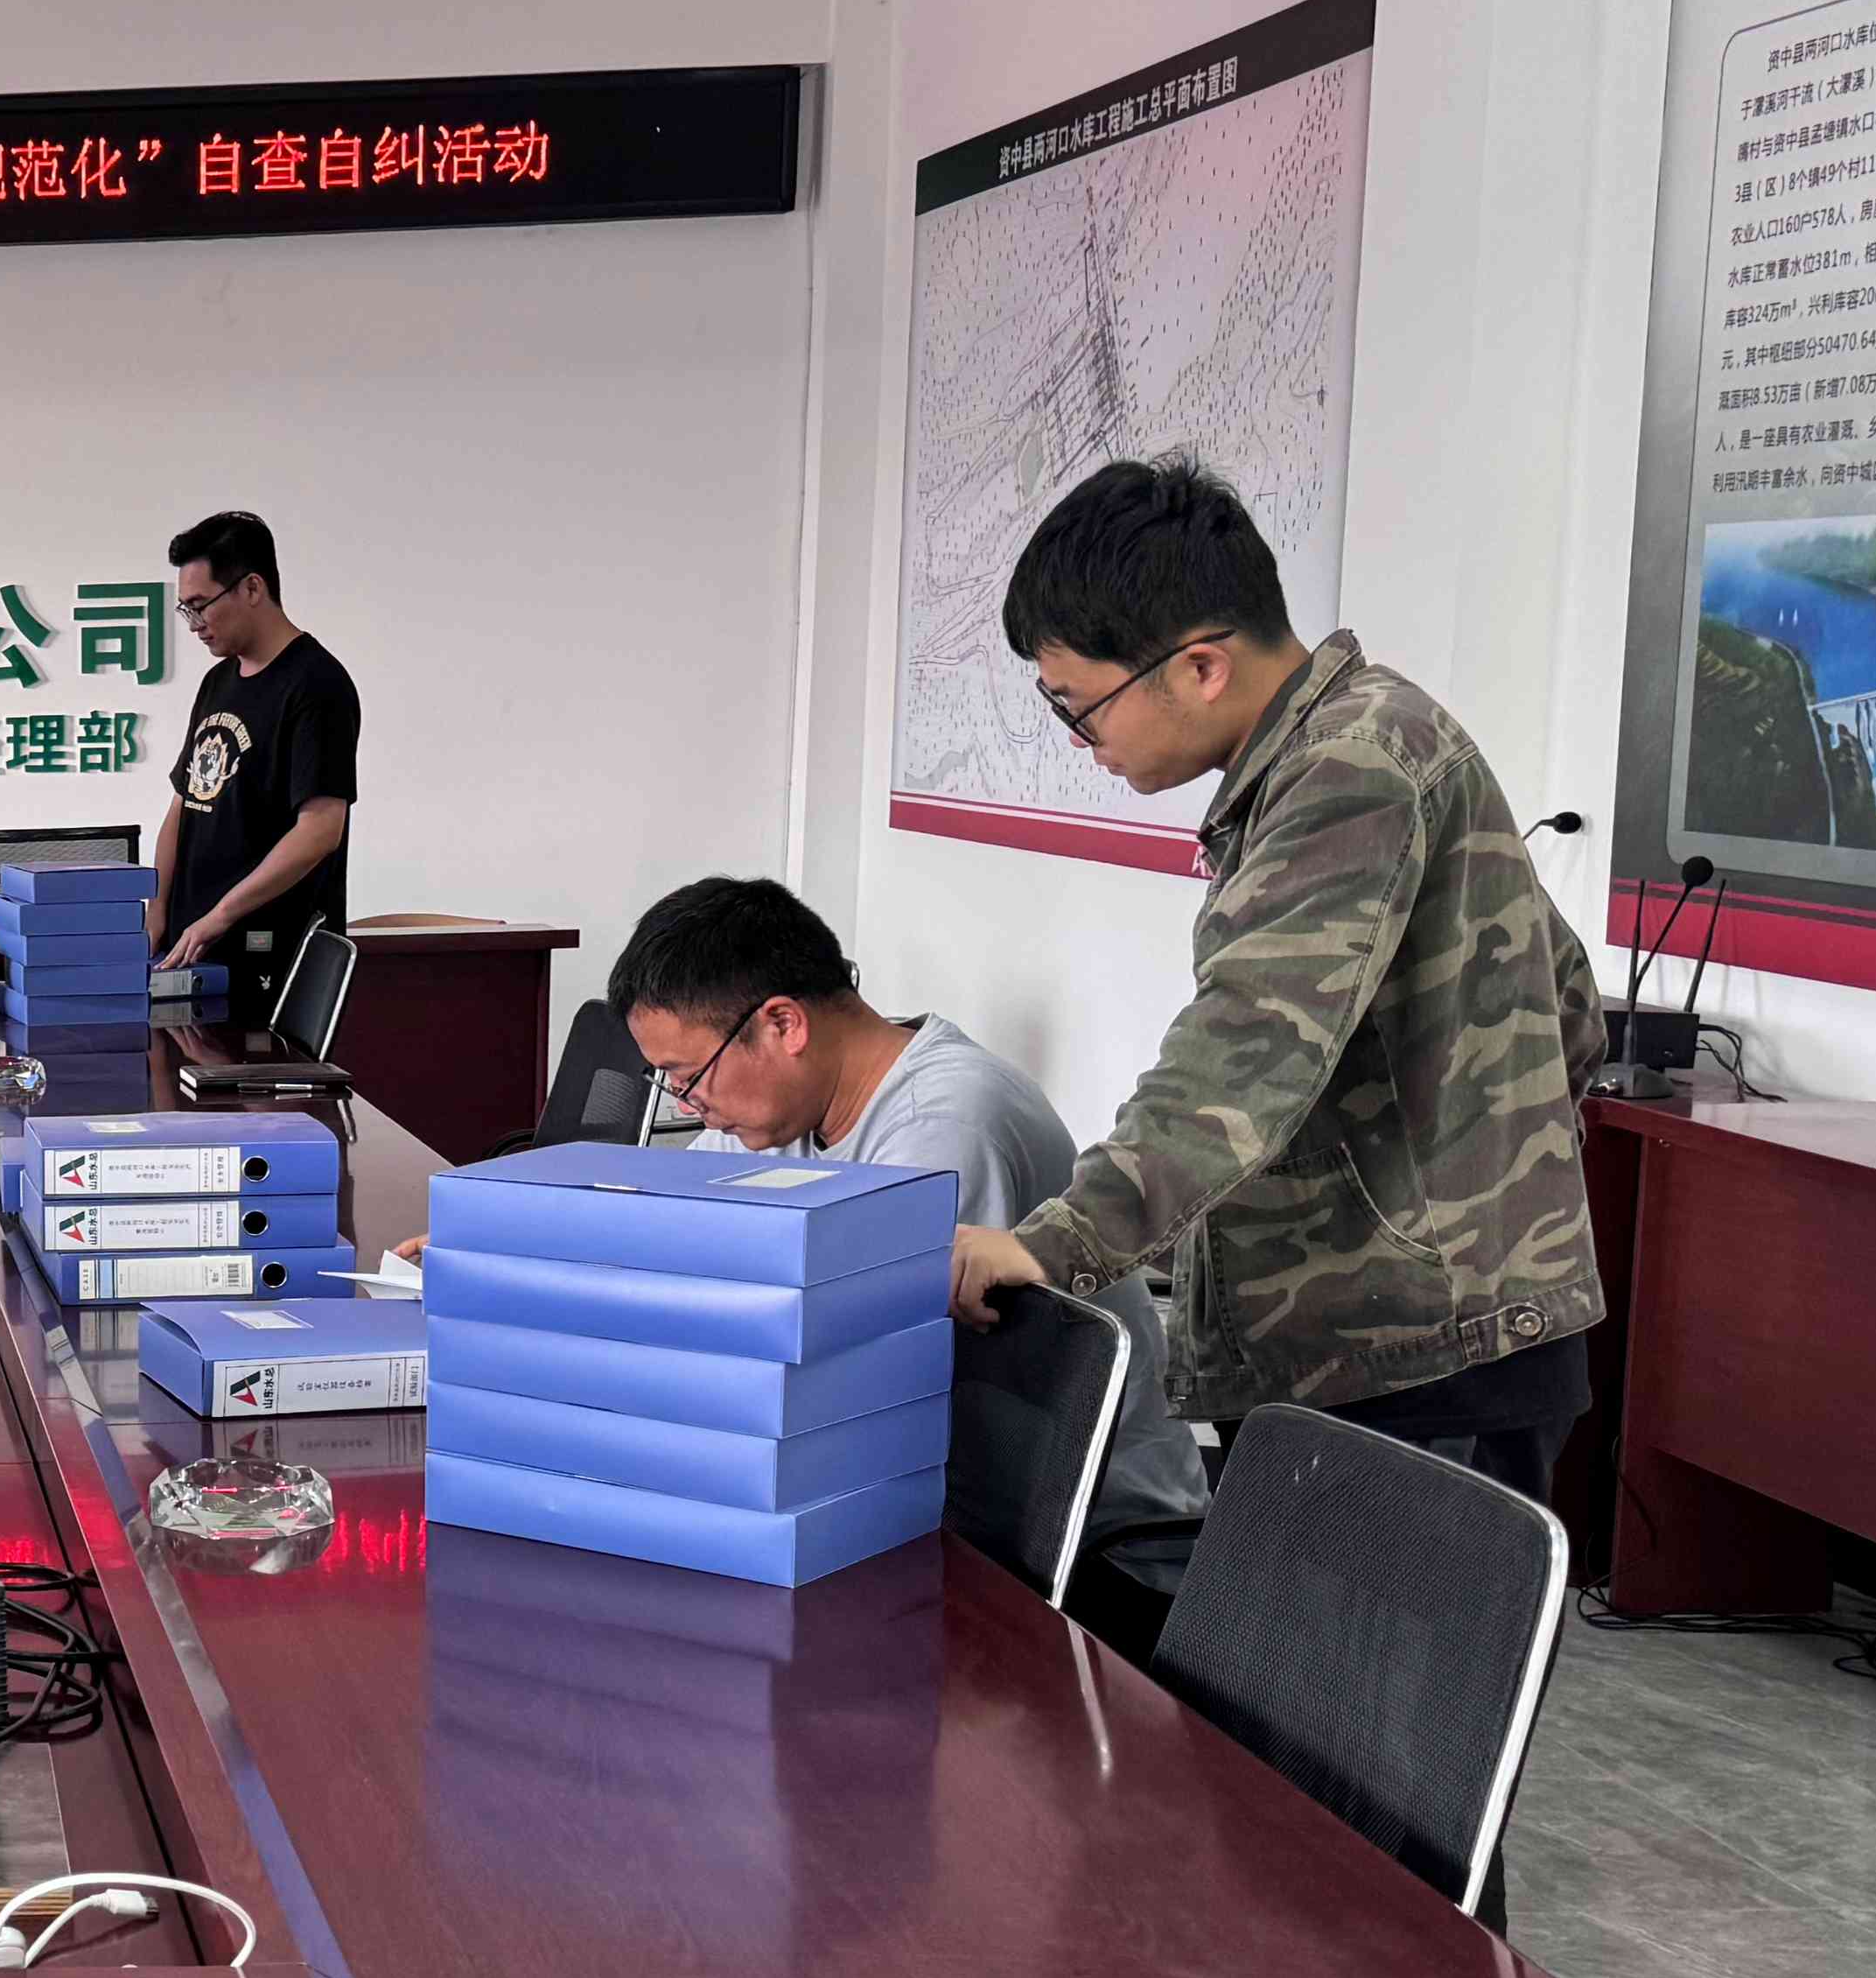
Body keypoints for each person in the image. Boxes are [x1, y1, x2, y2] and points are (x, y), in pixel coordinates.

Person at [948, 459, 1606, 1500]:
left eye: (1082, 708)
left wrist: (1058, 1240)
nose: (1083, 744)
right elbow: (1566, 1005)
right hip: (1405, 1333)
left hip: (1420, 1356)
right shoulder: (1364, 743)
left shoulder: (1352, 767)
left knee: (1360, 1619)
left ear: (1201, 667)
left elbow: (1245, 1048)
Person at [606, 876, 1211, 1644]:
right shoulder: (779, 1108)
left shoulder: (944, 1125)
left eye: (690, 1077)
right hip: (928, 1511)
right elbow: (675, 1233)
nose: (687, 1103)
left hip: (1083, 1561)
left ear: (783, 1024)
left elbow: (871, 1385)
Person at [150, 506, 360, 1022]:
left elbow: (319, 831)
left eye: (201, 606)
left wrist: (221, 915)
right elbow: (182, 806)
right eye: (185, 610)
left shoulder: (317, 685)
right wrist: (157, 911)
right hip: (192, 949)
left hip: (267, 953)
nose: (194, 625)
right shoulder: (217, 682)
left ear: (251, 588)